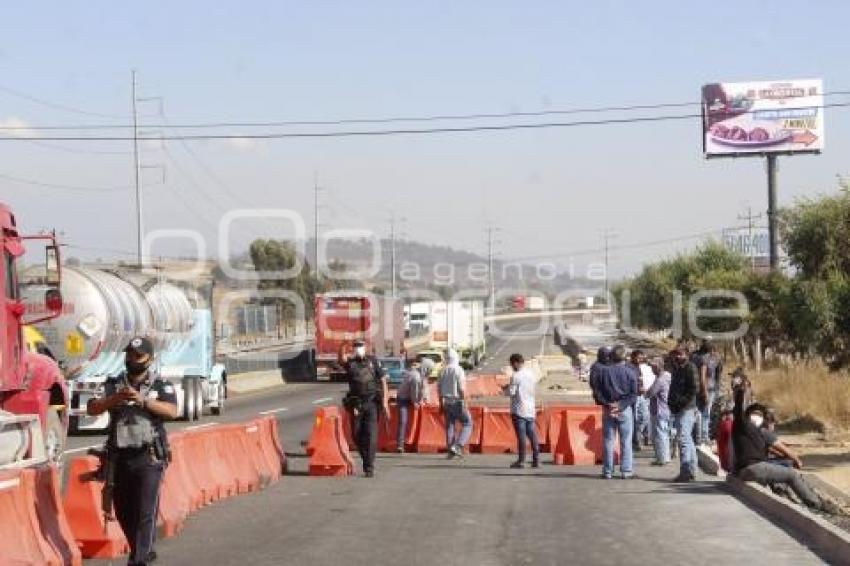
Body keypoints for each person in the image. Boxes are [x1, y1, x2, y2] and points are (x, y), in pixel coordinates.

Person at [87, 336, 179, 566]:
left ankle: (138, 561)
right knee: (124, 512)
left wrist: (142, 400)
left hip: (149, 458)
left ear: (150, 359)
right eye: (129, 355)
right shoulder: (113, 383)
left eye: (138, 356)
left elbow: (172, 411)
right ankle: (141, 551)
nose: (132, 359)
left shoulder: (160, 385)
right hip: (119, 460)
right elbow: (92, 408)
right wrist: (116, 398)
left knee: (145, 513)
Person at [731, 374, 836, 513]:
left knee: (782, 468)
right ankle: (816, 505)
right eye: (755, 414)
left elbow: (773, 449)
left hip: (753, 467)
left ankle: (787, 495)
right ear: (748, 415)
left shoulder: (757, 432)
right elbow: (738, 407)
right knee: (791, 475)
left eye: (760, 415)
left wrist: (787, 458)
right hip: (751, 468)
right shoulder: (742, 424)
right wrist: (741, 390)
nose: (757, 417)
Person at [340, 339, 390, 477]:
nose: (358, 348)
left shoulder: (373, 361)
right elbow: (341, 359)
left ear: (365, 348)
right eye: (356, 346)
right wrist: (342, 345)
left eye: (360, 346)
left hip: (372, 402)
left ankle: (369, 467)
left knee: (370, 435)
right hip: (356, 404)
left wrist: (385, 402)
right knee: (356, 435)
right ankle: (366, 459)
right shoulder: (351, 363)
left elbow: (383, 380)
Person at [590, 344, 637, 479]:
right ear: (624, 356)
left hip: (608, 409)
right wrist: (621, 405)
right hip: (624, 409)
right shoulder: (630, 372)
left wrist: (607, 404)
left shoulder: (603, 372)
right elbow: (634, 394)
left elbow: (597, 390)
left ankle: (608, 471)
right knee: (626, 441)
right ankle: (626, 471)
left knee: (608, 441)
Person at [668, 347, 700, 482]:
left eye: (681, 355)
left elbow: (694, 389)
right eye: (676, 355)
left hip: (686, 408)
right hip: (679, 408)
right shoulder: (677, 369)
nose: (678, 357)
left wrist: (681, 403)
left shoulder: (690, 368)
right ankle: (691, 470)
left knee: (683, 439)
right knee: (688, 439)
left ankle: (685, 472)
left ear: (687, 355)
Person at [505, 353, 540, 468]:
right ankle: (536, 460)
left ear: (515, 363)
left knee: (521, 437)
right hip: (530, 408)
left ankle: (521, 461)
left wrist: (505, 389)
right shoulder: (531, 374)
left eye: (511, 364)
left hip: (519, 409)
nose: (511, 366)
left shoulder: (516, 376)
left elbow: (512, 392)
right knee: (532, 435)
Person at [438, 349, 473, 458]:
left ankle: (450, 451)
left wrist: (441, 404)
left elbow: (439, 389)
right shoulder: (458, 370)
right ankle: (458, 446)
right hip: (458, 401)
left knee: (450, 427)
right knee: (468, 424)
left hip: (446, 402)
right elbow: (461, 389)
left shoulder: (442, 371)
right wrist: (465, 401)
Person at [692, 340, 722, 445]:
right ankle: (703, 437)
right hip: (707, 389)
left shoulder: (694, 355)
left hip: (699, 388)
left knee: (698, 413)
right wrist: (704, 392)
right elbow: (702, 376)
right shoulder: (705, 358)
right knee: (705, 414)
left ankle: (698, 436)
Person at [645, 356, 671, 466]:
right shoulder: (667, 376)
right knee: (664, 434)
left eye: (653, 367)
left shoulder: (660, 379)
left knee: (660, 435)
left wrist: (645, 391)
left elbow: (651, 393)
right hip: (666, 409)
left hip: (659, 410)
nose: (651, 369)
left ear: (658, 367)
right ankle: (665, 457)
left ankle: (662, 458)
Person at [395, 359, 424, 453]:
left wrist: (421, 399)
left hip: (405, 398)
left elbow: (422, 390)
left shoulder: (418, 375)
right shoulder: (416, 376)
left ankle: (401, 444)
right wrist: (416, 402)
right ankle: (400, 444)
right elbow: (414, 391)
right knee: (403, 421)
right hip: (403, 399)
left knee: (403, 422)